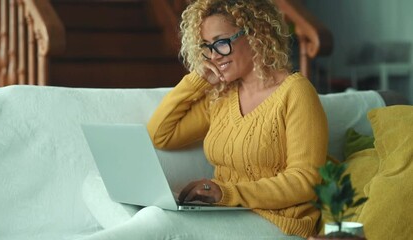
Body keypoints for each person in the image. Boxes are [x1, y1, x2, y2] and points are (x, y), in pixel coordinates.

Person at [83, 0, 328, 239]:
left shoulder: (296, 92)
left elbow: (305, 181)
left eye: (221, 43)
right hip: (225, 214)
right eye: (207, 47)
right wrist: (197, 79)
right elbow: (160, 135)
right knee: (95, 186)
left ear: (255, 34)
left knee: (159, 223)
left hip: (279, 222)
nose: (214, 56)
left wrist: (226, 193)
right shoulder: (222, 96)